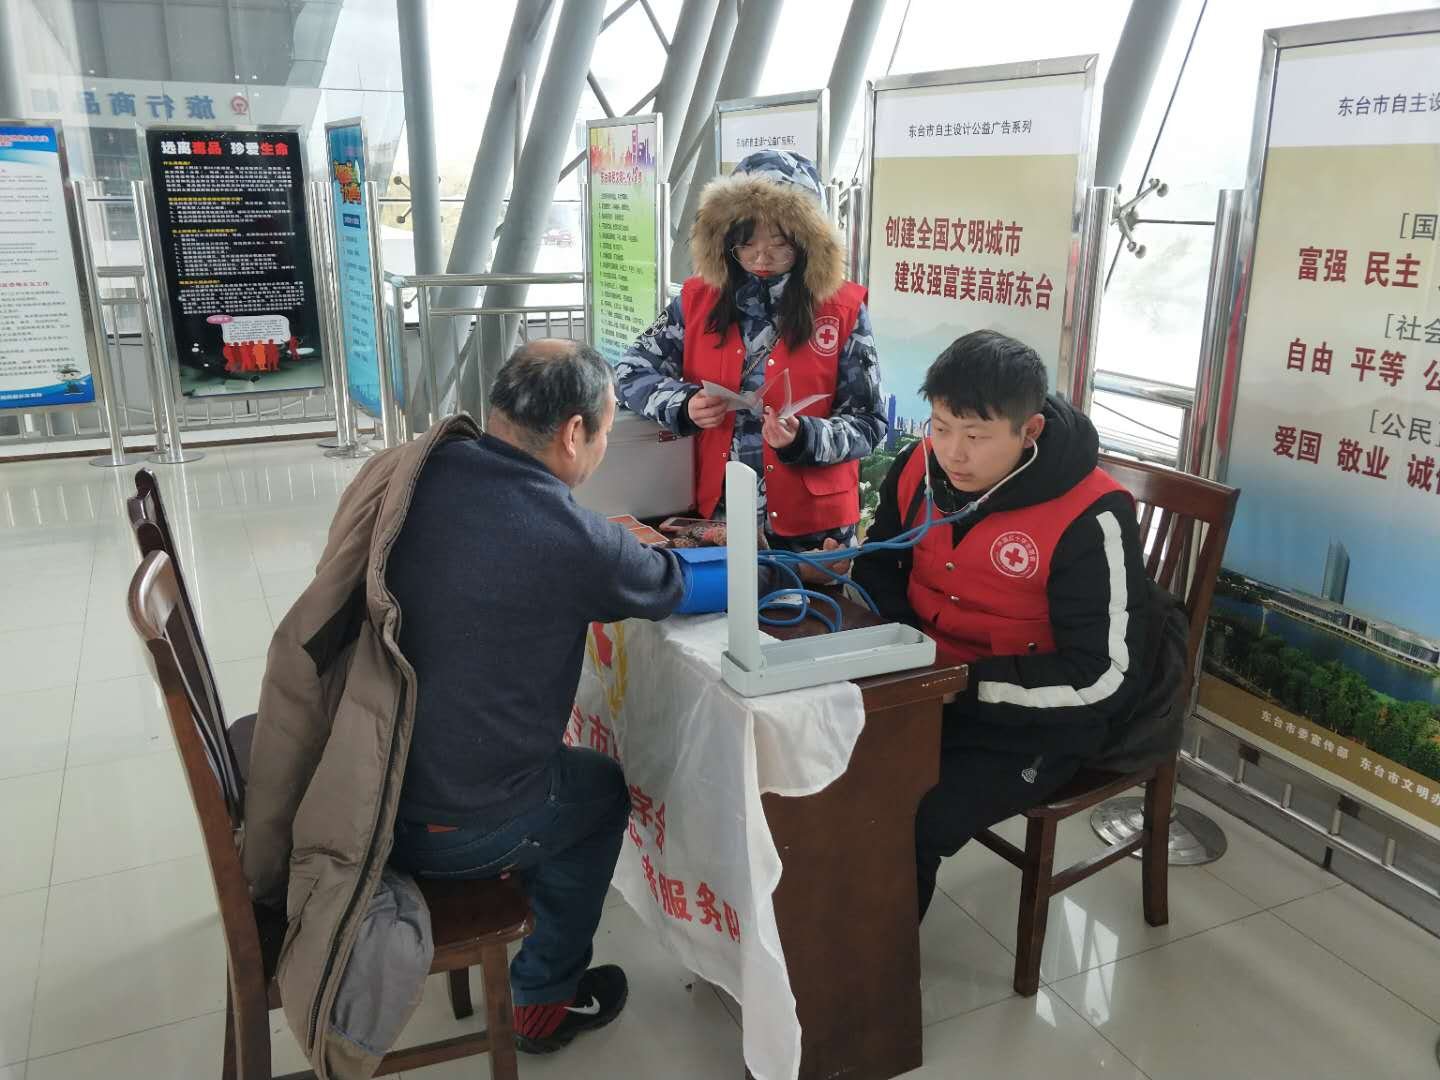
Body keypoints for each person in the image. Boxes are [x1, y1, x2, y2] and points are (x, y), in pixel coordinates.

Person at [385, 340, 690, 1053]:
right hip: (450, 826)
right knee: (599, 791)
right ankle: (544, 999)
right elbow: (668, 584)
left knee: (550, 756)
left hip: (370, 783)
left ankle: (523, 903)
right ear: (574, 432)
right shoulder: (566, 533)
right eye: (609, 431)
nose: (604, 447)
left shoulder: (425, 470)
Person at [851, 331, 1150, 918]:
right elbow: (880, 560)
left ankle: (872, 991)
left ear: (1029, 431)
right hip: (920, 682)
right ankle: (818, 946)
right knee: (817, 771)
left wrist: (961, 687)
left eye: (977, 436)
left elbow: (1106, 676)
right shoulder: (920, 466)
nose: (952, 453)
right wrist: (904, 651)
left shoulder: (1093, 515)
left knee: (906, 817)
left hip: (1027, 717)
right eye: (940, 427)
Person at [616, 150, 885, 573]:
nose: (761, 258)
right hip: (719, 516)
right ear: (726, 241)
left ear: (807, 242)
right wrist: (682, 404)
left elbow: (871, 423)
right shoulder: (697, 300)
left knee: (806, 630)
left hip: (813, 530)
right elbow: (629, 371)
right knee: (714, 633)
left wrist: (805, 437)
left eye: (779, 244)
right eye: (746, 244)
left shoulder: (844, 308)